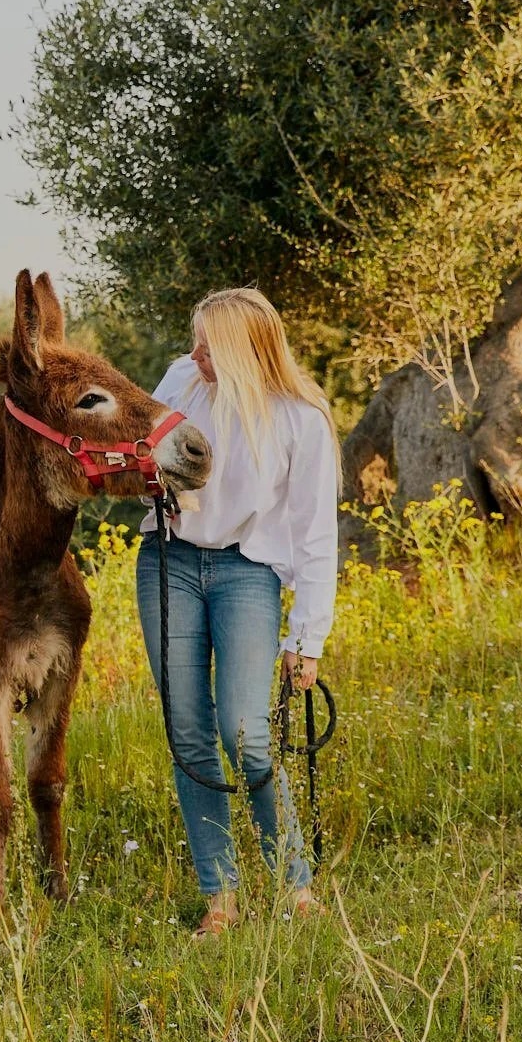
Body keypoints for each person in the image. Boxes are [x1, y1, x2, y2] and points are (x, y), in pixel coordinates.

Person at [137, 287, 338, 938]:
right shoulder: (181, 380)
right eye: (195, 341)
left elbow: (315, 533)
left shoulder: (300, 419)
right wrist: (144, 474)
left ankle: (295, 881)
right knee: (189, 734)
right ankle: (219, 897)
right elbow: (142, 462)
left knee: (245, 733)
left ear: (244, 351)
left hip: (246, 571)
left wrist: (307, 636)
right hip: (168, 560)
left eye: (208, 346)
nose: (195, 354)